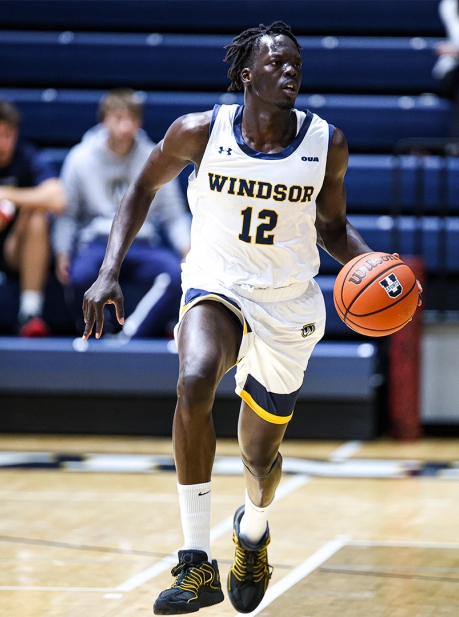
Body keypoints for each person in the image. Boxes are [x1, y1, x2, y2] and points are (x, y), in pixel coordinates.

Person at [82, 22, 419, 615]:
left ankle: (254, 533)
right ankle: (194, 564)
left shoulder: (326, 143)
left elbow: (332, 228)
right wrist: (110, 268)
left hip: (289, 302)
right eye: (278, 63)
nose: (291, 71)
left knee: (260, 458)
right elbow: (139, 189)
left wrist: (378, 272)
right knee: (194, 380)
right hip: (218, 283)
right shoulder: (199, 133)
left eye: (296, 63)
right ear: (247, 74)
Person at [55, 89, 190, 339]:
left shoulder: (156, 157)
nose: (125, 126)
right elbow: (68, 214)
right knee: (78, 276)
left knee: (177, 275)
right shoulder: (80, 157)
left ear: (140, 122)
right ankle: (100, 335)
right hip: (98, 243)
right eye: (118, 118)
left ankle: (129, 337)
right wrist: (61, 251)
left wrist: (186, 249)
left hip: (143, 242)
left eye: (131, 119)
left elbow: (173, 214)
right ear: (104, 120)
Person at [0, 99, 66, 336]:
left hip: (15, 249)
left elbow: (57, 199)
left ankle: (29, 314)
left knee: (37, 215)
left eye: (6, 135)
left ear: (15, 133)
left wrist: (8, 195)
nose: (1, 143)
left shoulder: (26, 157)